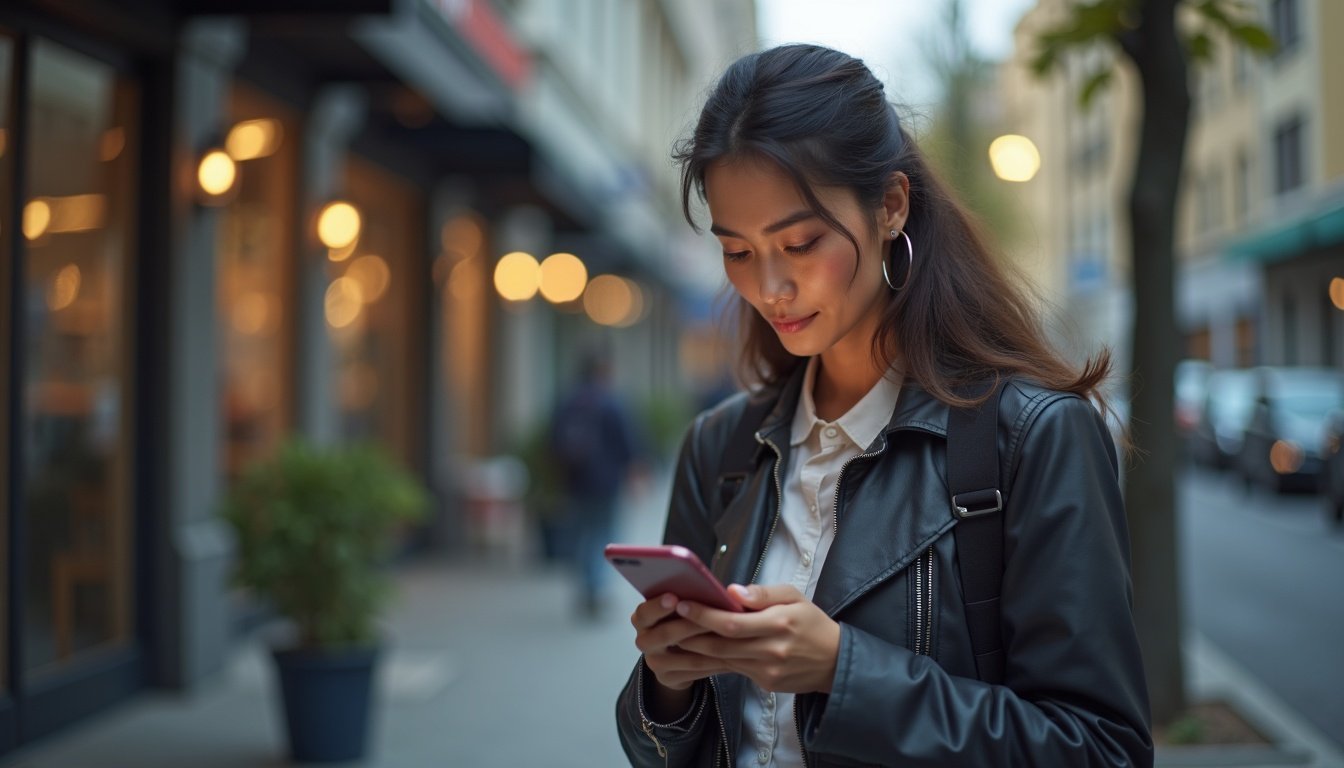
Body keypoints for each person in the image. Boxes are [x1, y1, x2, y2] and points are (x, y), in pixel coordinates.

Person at [614, 44, 1152, 767]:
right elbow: (669, 750)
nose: (769, 288)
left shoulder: (1033, 437)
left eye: (799, 243)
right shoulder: (721, 447)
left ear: (891, 205)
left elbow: (1101, 748)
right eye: (737, 252)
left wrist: (845, 672)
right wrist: (668, 684)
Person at [551, 350, 640, 618]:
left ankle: (587, 585)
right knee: (603, 534)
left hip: (576, 482)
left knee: (581, 534)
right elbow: (627, 442)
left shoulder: (568, 401)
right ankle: (596, 587)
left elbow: (553, 441)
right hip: (606, 482)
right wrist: (636, 473)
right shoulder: (610, 402)